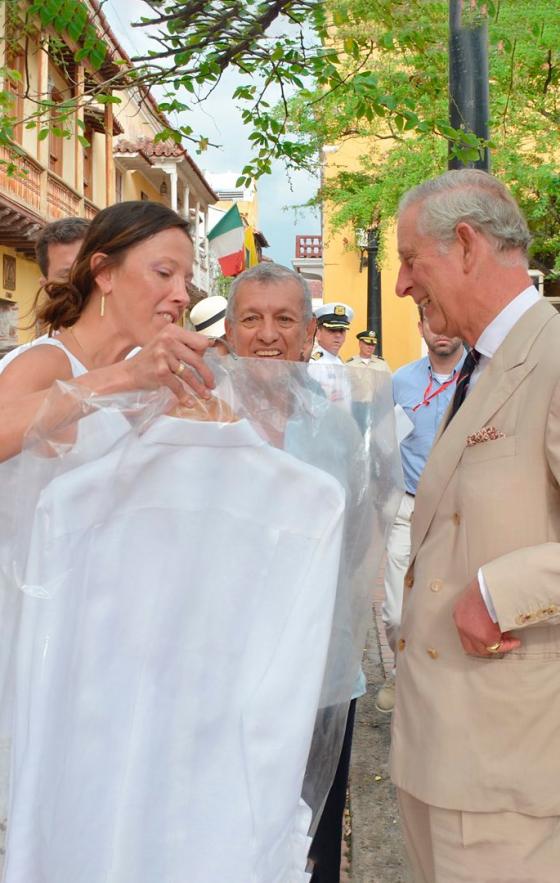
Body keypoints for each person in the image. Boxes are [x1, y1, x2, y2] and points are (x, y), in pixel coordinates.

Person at [391, 168, 560, 882]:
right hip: (443, 756)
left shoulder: (551, 355)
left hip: (504, 775)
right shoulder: (485, 364)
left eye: (409, 260)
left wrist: (498, 589)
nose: (401, 285)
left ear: (464, 245)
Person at [224, 264, 366, 883]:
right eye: (251, 318)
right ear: (228, 330)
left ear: (308, 332)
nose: (267, 334)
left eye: (284, 319)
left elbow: (355, 540)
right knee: (227, 837)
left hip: (319, 676)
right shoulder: (197, 417)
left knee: (311, 846)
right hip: (223, 677)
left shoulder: (333, 427)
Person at [0, 201, 214, 463]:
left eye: (186, 281)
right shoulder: (44, 363)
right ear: (104, 273)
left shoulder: (149, 374)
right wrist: (124, 377)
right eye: (164, 273)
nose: (182, 296)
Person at [375, 311, 464, 713]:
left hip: (457, 511)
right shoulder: (401, 382)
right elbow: (383, 442)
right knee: (396, 613)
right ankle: (402, 670)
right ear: (421, 328)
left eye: (449, 322)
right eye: (433, 323)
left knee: (449, 604)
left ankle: (436, 685)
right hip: (408, 508)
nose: (441, 331)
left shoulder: (481, 380)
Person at [0, 217, 90, 371]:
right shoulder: (16, 365)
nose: (81, 283)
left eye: (88, 271)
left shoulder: (139, 355)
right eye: (66, 275)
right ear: (46, 286)